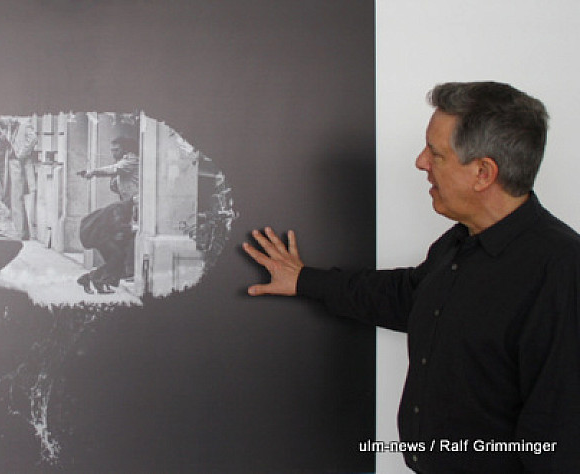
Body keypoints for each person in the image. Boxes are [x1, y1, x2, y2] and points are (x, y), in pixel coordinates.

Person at [243, 82, 580, 473]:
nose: (421, 162)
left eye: (436, 153)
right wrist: (304, 279)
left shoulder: (560, 270)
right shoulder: (459, 244)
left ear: (483, 173)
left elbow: (560, 436)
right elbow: (407, 297)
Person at [76, 136, 140, 293]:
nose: (113, 153)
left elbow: (113, 169)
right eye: (112, 150)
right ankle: (101, 278)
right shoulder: (123, 163)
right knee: (119, 252)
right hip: (127, 208)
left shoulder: (131, 160)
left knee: (123, 249)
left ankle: (103, 277)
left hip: (135, 206)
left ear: (125, 149)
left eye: (116, 150)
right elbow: (115, 184)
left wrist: (93, 172)